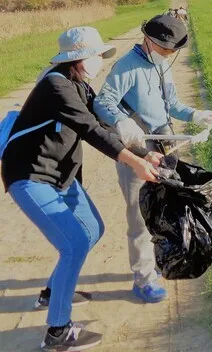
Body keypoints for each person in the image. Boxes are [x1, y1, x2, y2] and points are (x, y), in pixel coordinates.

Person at [1, 26, 162, 351]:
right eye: (95, 56)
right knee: (74, 244)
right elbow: (90, 130)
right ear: (76, 58)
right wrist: (133, 163)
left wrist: (144, 153)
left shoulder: (81, 86)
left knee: (93, 229)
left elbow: (103, 123)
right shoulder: (55, 85)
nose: (100, 61)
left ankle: (51, 291)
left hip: (61, 175)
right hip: (30, 175)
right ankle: (57, 333)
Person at [93, 14, 212, 303]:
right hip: (137, 148)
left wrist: (195, 115)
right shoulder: (126, 66)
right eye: (166, 49)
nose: (170, 54)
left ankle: (158, 262)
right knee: (139, 216)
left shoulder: (163, 65)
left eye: (174, 50)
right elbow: (103, 103)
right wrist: (123, 123)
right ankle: (143, 279)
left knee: (164, 209)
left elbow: (172, 104)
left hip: (164, 145)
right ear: (149, 41)